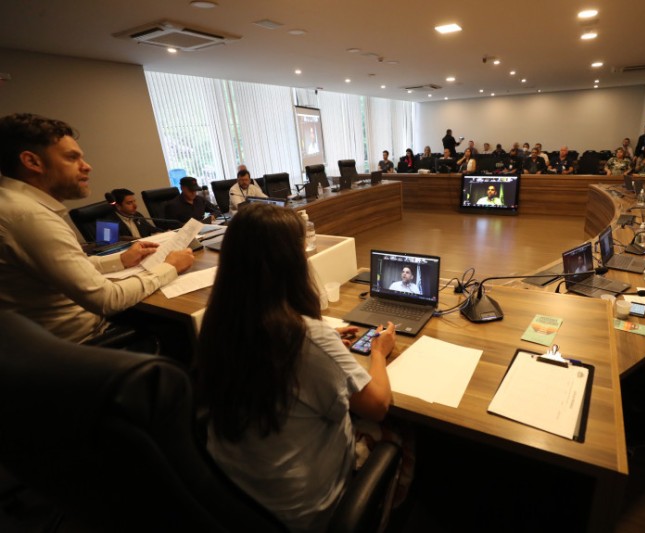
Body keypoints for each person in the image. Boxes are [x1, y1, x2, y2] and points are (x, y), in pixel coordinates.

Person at [196, 203, 395, 532]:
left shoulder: (220, 324)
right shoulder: (308, 341)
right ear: (290, 262)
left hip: (239, 499)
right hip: (308, 514)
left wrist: (322, 341)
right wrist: (378, 351)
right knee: (401, 435)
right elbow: (378, 406)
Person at [0, 112, 194, 343]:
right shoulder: (29, 217)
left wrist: (120, 260)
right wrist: (169, 267)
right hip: (87, 345)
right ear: (32, 162)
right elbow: (107, 299)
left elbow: (72, 267)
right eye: (72, 158)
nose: (87, 167)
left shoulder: (13, 205)